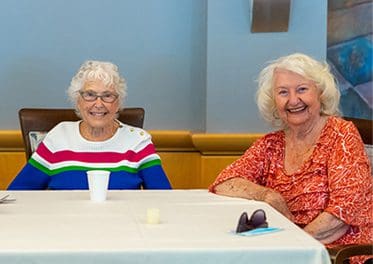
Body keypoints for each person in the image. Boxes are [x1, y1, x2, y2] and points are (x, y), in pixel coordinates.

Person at [209, 53, 372, 263]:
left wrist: (290, 248)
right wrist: (268, 195)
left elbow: (340, 216)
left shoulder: (341, 134)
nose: (293, 100)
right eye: (283, 92)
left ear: (320, 93)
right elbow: (224, 182)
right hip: (290, 249)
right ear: (273, 101)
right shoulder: (271, 145)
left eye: (302, 89)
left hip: (339, 255)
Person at [8, 60, 171, 190]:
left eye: (108, 96)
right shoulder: (58, 138)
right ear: (77, 101)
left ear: (118, 103)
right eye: (90, 95)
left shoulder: (138, 141)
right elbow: (19, 194)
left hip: (122, 229)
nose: (98, 104)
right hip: (64, 229)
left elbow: (164, 199)